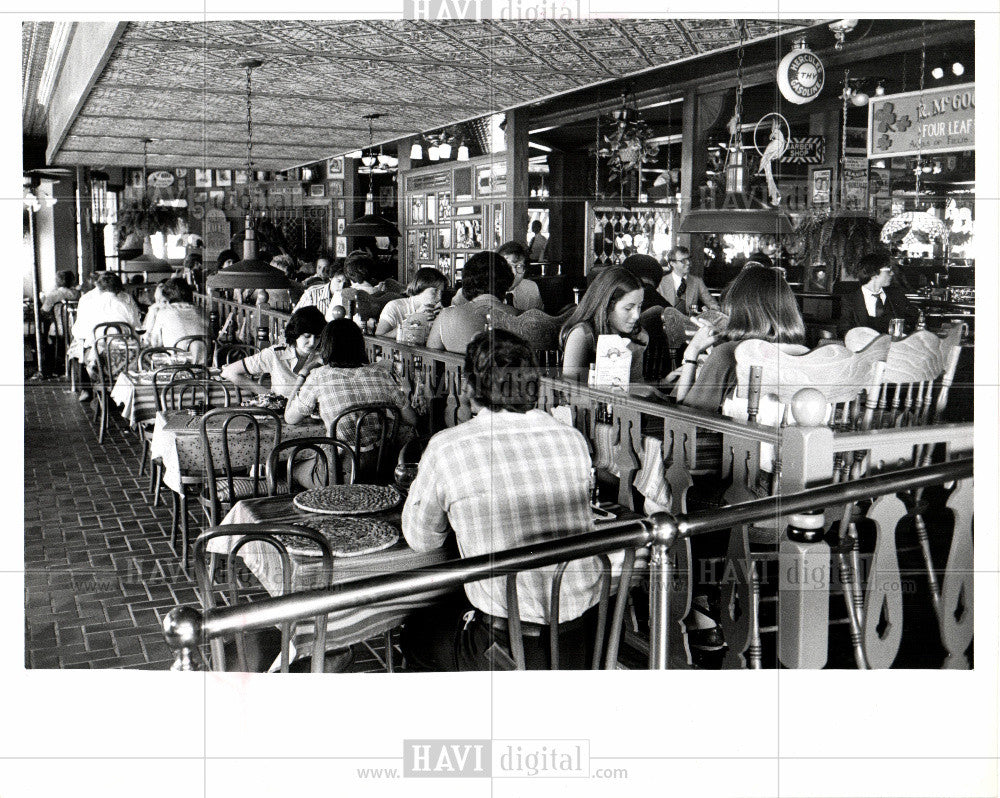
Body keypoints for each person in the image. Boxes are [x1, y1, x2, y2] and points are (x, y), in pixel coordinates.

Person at [400, 329, 607, 671]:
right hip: (581, 644)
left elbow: (421, 541)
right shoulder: (572, 438)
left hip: (507, 654)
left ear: (468, 386)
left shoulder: (448, 445)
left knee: (418, 631)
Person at [675, 265, 806, 412]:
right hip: (796, 435)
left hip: (739, 435)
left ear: (736, 308)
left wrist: (692, 352)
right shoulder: (805, 353)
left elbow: (686, 419)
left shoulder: (727, 353)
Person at [284, 318, 416, 441]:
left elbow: (290, 418)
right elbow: (412, 419)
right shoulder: (381, 373)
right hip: (380, 461)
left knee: (291, 465)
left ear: (326, 346)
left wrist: (302, 375)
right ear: (360, 345)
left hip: (340, 461)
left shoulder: (319, 376)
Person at [560, 266, 647, 383]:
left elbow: (636, 383)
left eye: (639, 306)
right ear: (606, 306)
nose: (636, 315)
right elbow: (570, 391)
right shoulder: (581, 335)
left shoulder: (637, 334)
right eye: (628, 308)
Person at [221, 306, 325, 399]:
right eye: (307, 336)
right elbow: (229, 372)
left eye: (317, 337)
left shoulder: (324, 355)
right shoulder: (275, 354)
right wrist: (269, 395)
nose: (312, 343)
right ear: (296, 333)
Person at [70, 272, 141, 402]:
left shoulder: (89, 303)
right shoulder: (125, 304)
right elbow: (136, 327)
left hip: (100, 361)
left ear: (99, 287)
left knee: (83, 350)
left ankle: (97, 390)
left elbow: (79, 332)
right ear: (119, 288)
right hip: (127, 361)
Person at [426, 252, 516, 353]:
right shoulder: (523, 316)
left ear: (467, 281)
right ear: (507, 280)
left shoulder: (445, 316)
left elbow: (430, 359)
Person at [837, 250, 918, 336]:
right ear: (874, 273)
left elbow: (913, 321)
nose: (892, 273)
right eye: (888, 270)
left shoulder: (897, 295)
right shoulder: (850, 300)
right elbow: (843, 331)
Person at [375, 267, 447, 343]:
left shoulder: (436, 310)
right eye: (434, 292)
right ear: (420, 287)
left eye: (441, 293)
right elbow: (378, 340)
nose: (439, 298)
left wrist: (442, 320)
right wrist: (413, 320)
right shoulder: (394, 307)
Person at [142, 278, 209, 355]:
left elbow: (155, 343)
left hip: (177, 363)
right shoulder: (201, 311)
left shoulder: (164, 312)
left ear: (167, 296)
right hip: (205, 362)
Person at [656, 246, 719, 315]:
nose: (688, 263)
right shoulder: (661, 282)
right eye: (683, 261)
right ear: (672, 263)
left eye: (689, 259)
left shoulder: (697, 282)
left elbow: (711, 303)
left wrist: (714, 310)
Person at [498, 241, 543, 311]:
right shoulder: (484, 292)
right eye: (508, 266)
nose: (514, 272)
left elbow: (539, 320)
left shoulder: (531, 289)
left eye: (519, 266)